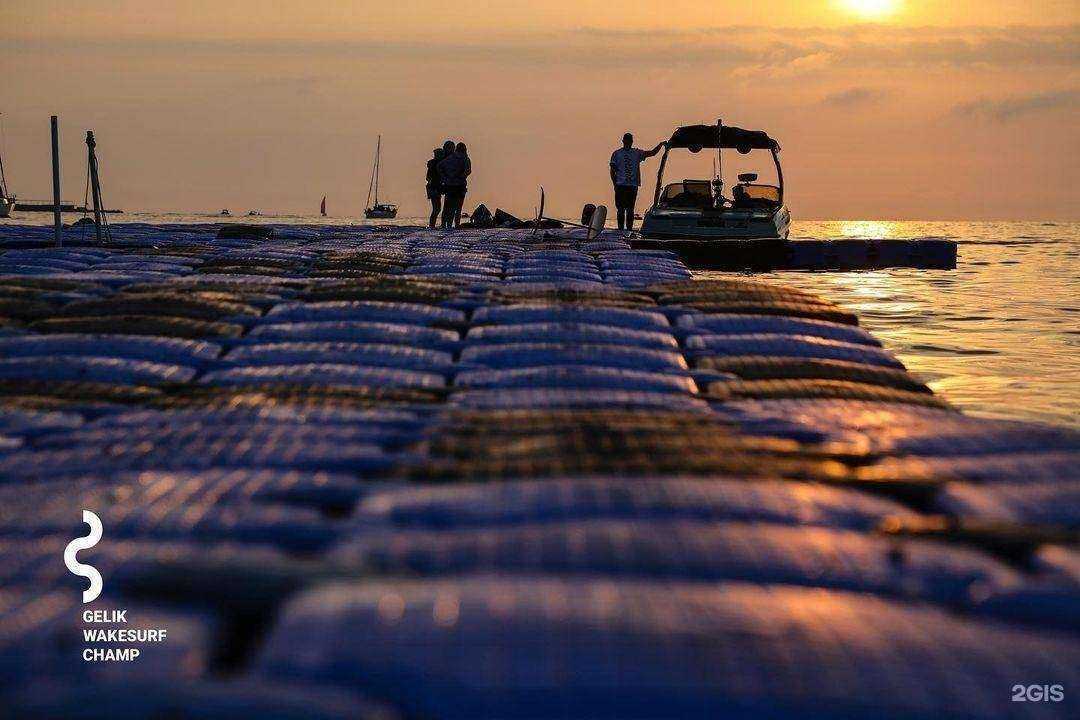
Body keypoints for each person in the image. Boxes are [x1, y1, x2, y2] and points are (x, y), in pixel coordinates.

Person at [610, 132, 665, 232]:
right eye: (626, 140)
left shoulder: (637, 153)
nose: (628, 142)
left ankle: (629, 231)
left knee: (630, 210)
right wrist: (615, 184)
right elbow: (612, 170)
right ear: (623, 141)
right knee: (621, 210)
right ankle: (620, 230)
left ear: (632, 142)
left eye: (630, 141)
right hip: (621, 185)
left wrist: (660, 145)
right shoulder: (617, 154)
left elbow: (652, 153)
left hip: (632, 185)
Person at [438, 142, 471, 229]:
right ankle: (456, 225)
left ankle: (446, 225)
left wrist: (445, 177)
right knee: (458, 207)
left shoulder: (450, 158)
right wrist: (461, 176)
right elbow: (468, 171)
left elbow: (439, 166)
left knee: (448, 207)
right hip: (460, 185)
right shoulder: (466, 158)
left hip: (449, 185)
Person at [426, 147, 446, 229]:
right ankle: (432, 225)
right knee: (437, 208)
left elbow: (427, 177)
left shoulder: (433, 164)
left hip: (434, 188)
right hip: (434, 188)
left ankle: (432, 224)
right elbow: (428, 177)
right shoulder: (435, 164)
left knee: (437, 208)